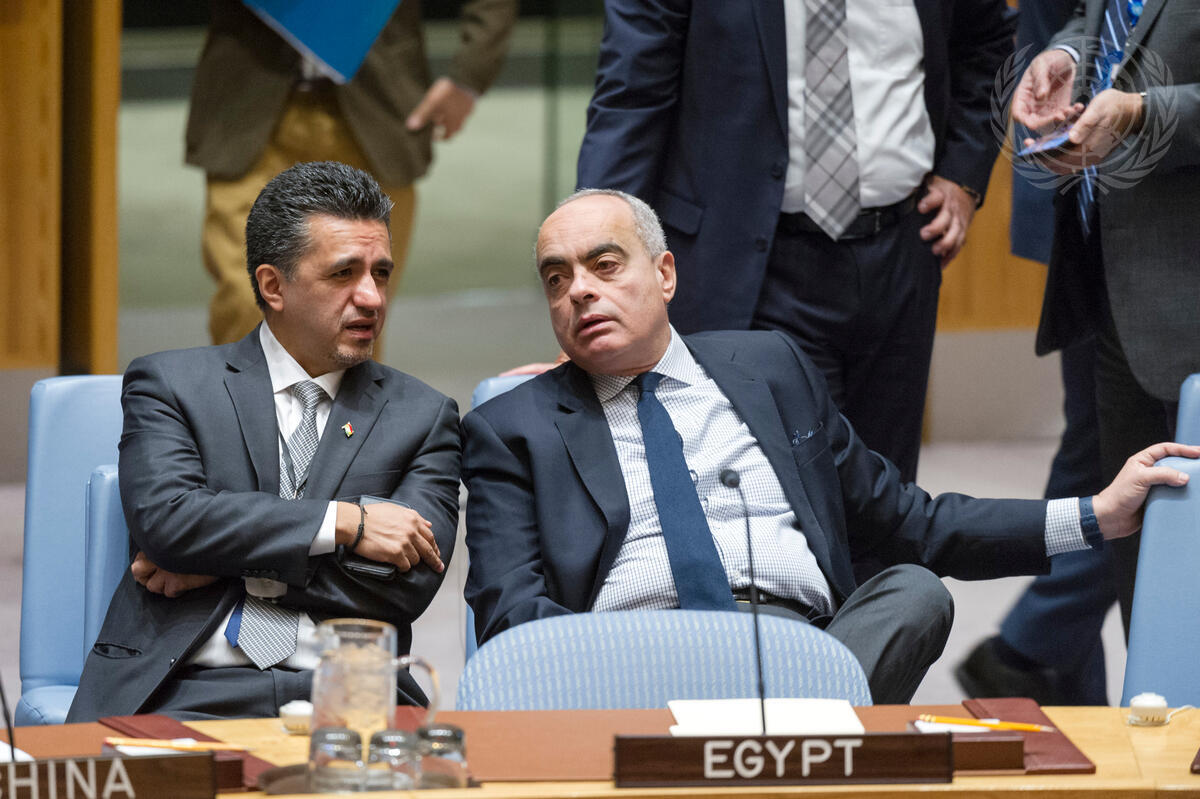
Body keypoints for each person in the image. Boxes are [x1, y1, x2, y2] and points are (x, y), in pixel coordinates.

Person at [461, 190, 1196, 703]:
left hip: (795, 650)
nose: (579, 291)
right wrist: (619, 671)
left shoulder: (768, 368)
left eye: (604, 264)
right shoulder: (514, 425)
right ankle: (789, 747)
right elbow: (509, 614)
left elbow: (913, 522)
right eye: (557, 278)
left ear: (665, 273)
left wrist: (1096, 514)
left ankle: (782, 731)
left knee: (913, 592)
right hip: (630, 662)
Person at [67, 162, 461, 722]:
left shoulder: (423, 416)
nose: (372, 298)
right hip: (181, 691)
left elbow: (407, 586)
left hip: (352, 700)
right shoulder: (172, 385)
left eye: (380, 273)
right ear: (273, 285)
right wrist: (344, 523)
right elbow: (170, 523)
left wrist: (225, 564)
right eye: (344, 274)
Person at [573, 0, 1015, 483]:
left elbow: (988, 43)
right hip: (748, 264)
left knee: (886, 493)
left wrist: (963, 172)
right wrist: (596, 264)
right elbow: (633, 95)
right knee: (771, 495)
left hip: (901, 255)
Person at [1014, 0, 1200, 631]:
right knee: (1141, 586)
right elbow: (1103, 16)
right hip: (1117, 295)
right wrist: (1070, 54)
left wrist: (1143, 112)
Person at [188, 0, 517, 346]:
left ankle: (348, 385)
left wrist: (468, 76)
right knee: (248, 302)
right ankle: (251, 385)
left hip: (376, 109)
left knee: (358, 305)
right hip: (247, 107)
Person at [955, 0, 1115, 706]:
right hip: (1103, 182)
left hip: (1100, 183)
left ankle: (1051, 672)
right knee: (1121, 445)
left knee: (1097, 445)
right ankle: (1031, 648)